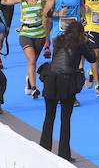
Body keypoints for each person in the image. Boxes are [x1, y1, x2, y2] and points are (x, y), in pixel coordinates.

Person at [39, 21, 95, 160]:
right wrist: (87, 42)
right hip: (66, 82)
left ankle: (43, 150)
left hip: (50, 79)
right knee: (65, 119)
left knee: (49, 117)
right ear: (81, 33)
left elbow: (55, 61)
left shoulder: (58, 40)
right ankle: (64, 154)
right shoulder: (80, 44)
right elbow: (93, 58)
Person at [2, 0, 45, 97]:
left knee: (33, 62)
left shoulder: (42, 0)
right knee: (31, 60)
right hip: (26, 34)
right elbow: (4, 1)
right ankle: (34, 88)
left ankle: (29, 82)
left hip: (40, 35)